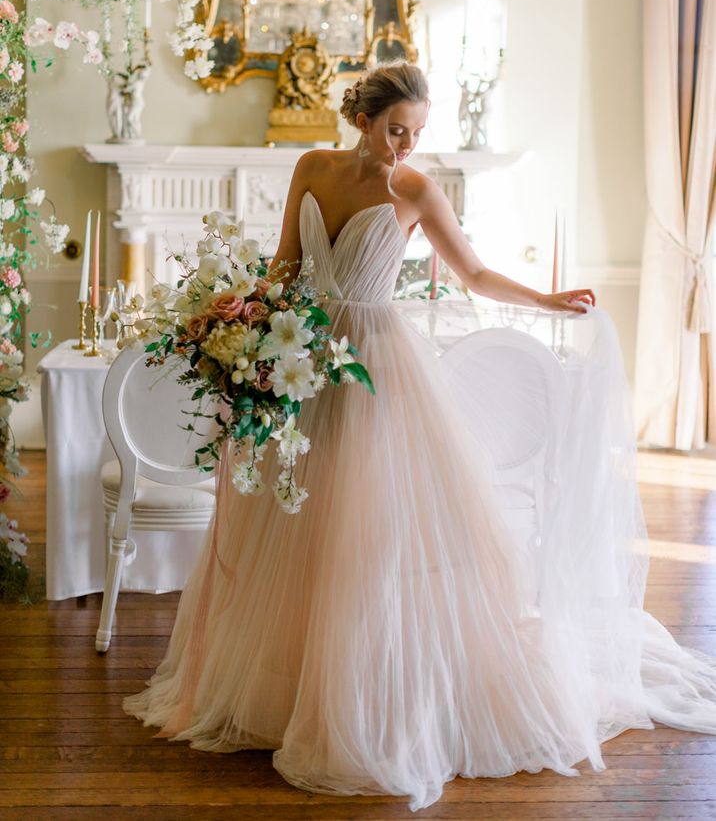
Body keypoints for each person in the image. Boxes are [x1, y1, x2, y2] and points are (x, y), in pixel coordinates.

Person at [125, 62, 716, 812]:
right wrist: (239, 321)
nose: (405, 147)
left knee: (361, 534)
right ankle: (283, 692)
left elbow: (470, 273)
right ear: (364, 119)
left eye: (416, 134)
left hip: (375, 368)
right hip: (299, 358)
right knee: (298, 525)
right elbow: (285, 268)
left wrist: (545, 298)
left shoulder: (414, 190)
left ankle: (359, 698)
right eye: (395, 130)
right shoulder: (312, 166)